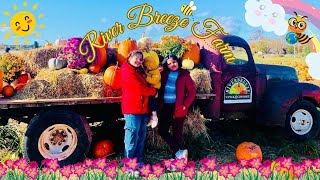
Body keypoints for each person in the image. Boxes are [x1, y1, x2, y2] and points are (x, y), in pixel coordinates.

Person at [120, 50, 156, 167]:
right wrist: (153, 91)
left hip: (142, 109)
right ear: (129, 57)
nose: (138, 61)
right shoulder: (127, 71)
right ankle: (129, 165)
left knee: (141, 137)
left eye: (140, 59)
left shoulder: (137, 71)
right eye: (136, 58)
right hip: (132, 109)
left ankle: (138, 161)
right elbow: (139, 88)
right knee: (131, 138)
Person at [158, 55, 196, 162]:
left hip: (178, 107)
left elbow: (192, 92)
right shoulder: (163, 73)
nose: (172, 65)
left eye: (174, 62)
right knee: (162, 130)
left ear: (178, 62)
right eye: (169, 63)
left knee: (177, 131)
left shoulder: (184, 75)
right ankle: (179, 152)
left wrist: (185, 105)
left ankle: (176, 158)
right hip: (166, 106)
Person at [142, 53, 161, 128]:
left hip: (154, 88)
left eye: (147, 67)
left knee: (152, 102)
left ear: (151, 65)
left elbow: (154, 81)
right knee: (147, 104)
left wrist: (146, 77)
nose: (146, 68)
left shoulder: (156, 72)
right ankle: (151, 118)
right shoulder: (148, 70)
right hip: (150, 88)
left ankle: (155, 116)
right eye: (145, 67)